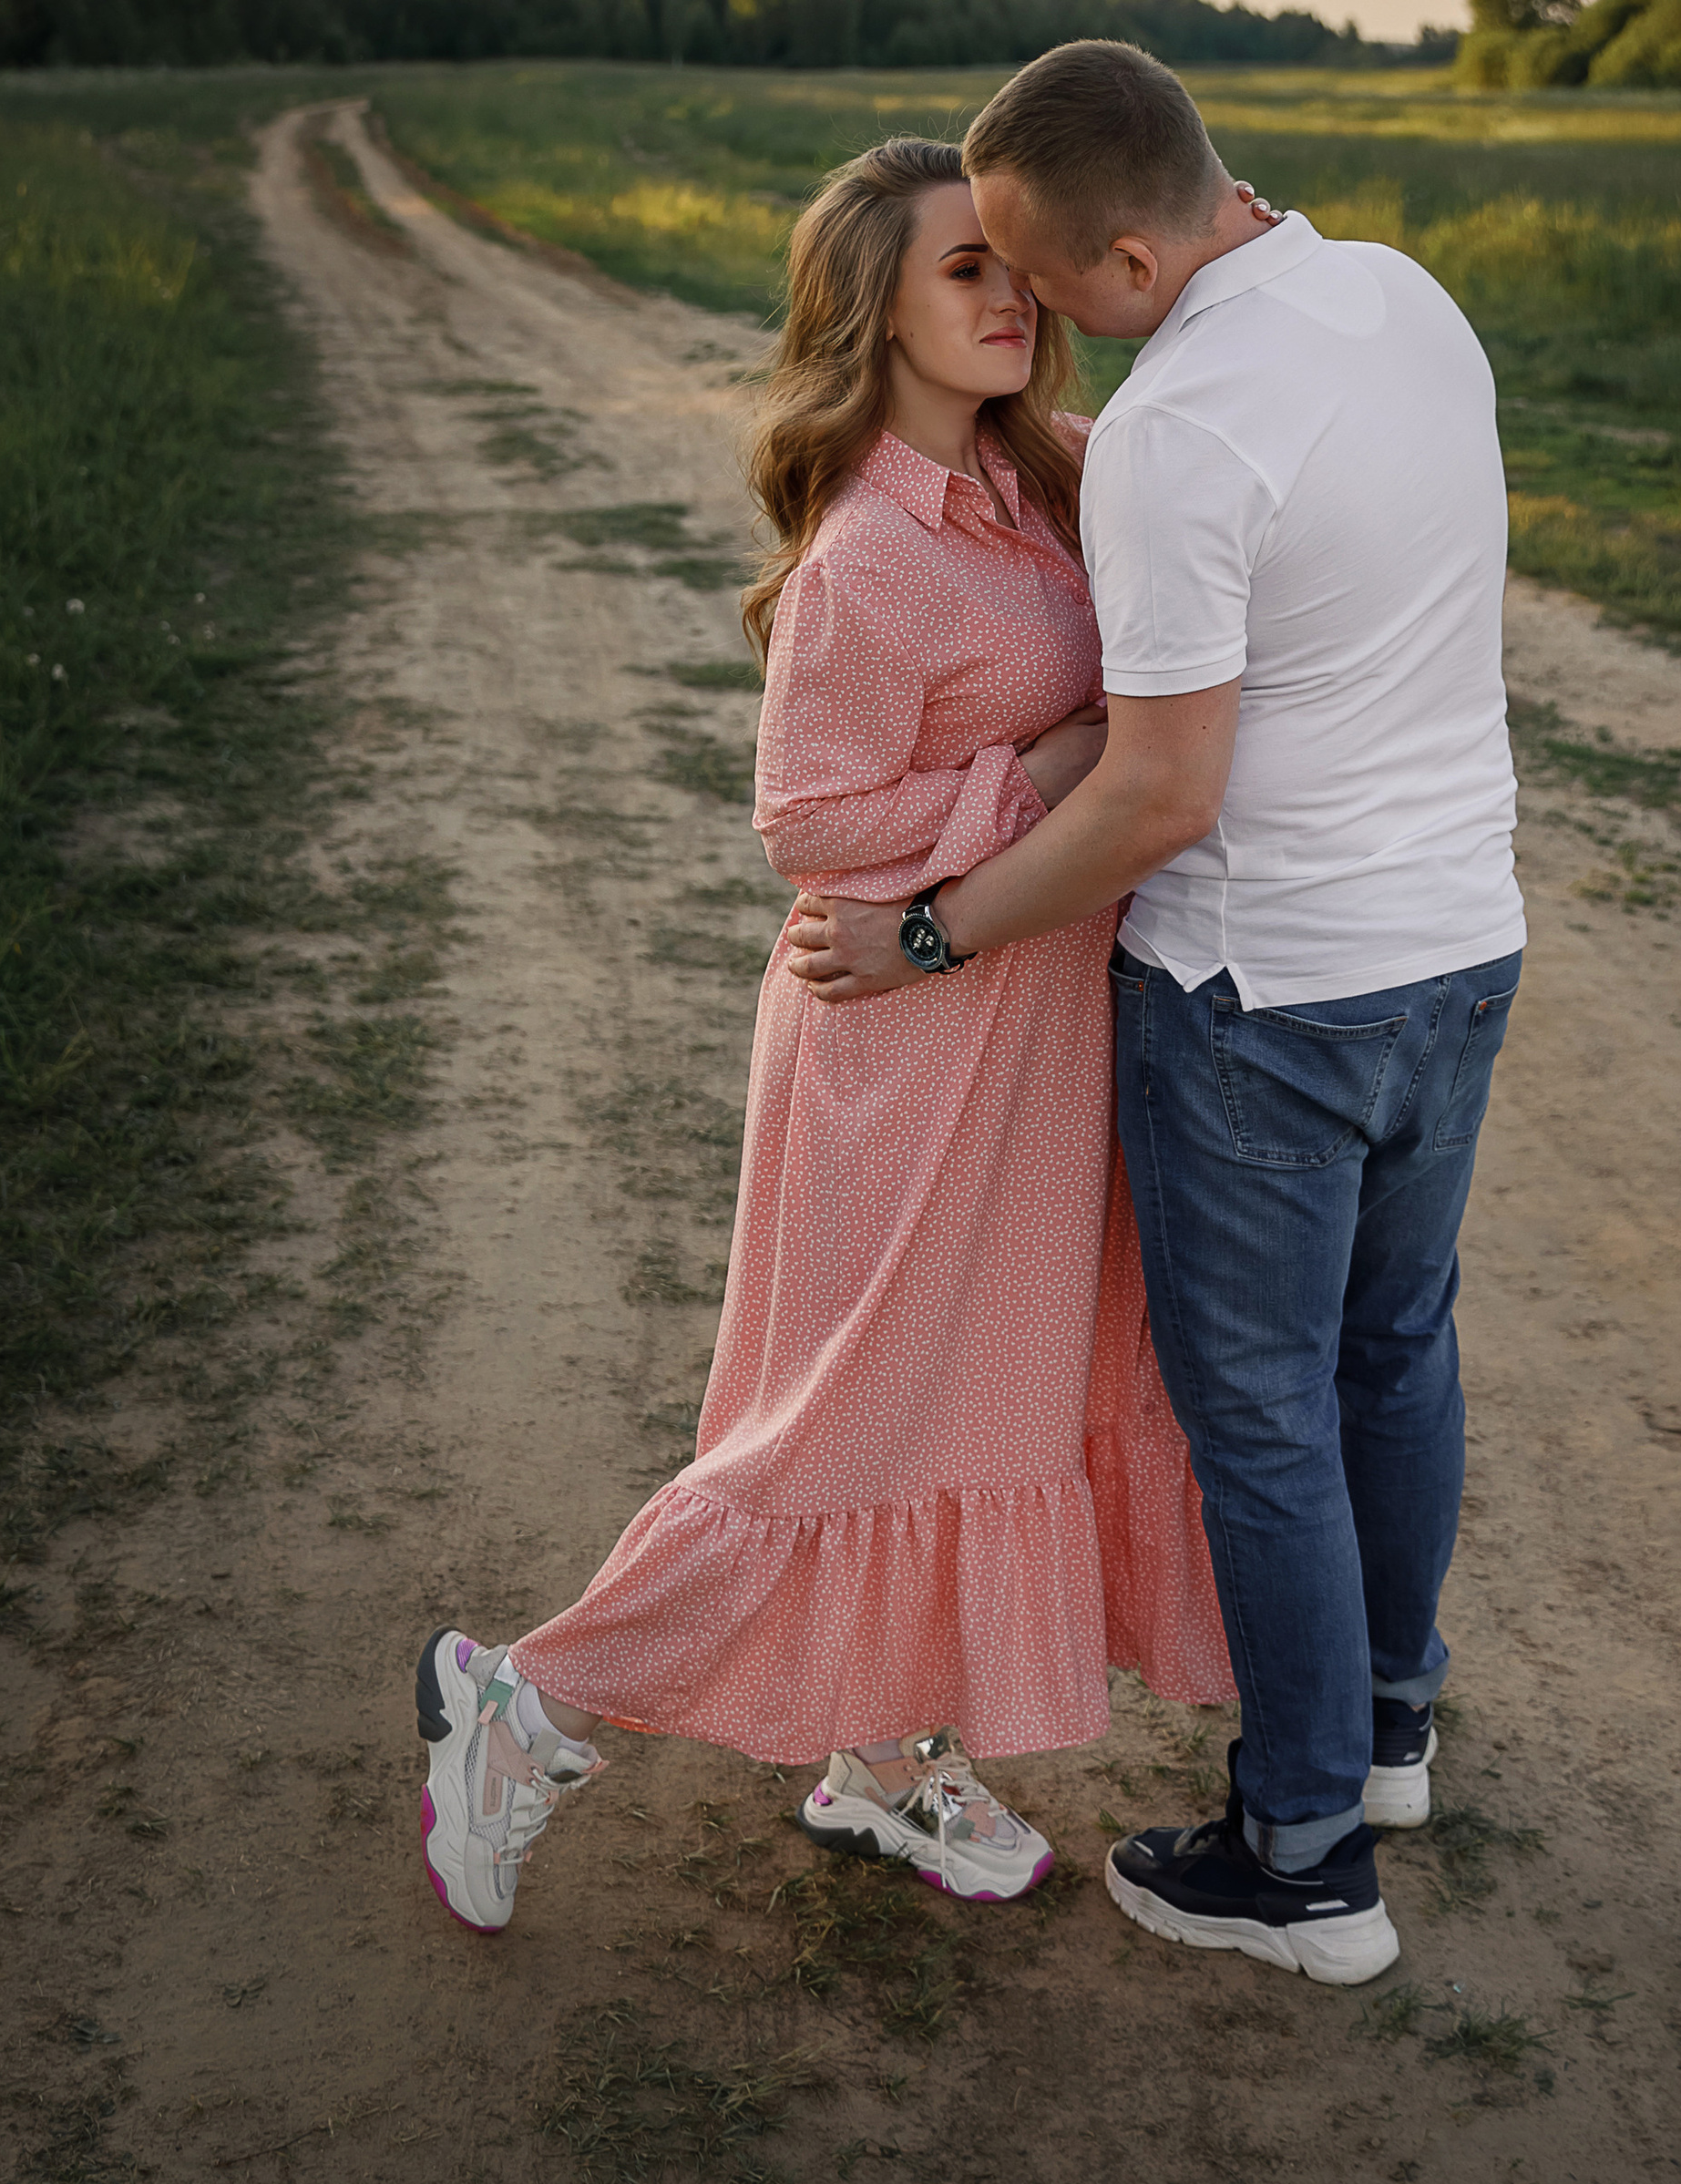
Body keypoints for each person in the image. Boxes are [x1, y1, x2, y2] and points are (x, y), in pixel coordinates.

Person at [415, 135, 1231, 1936]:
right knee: (838, 1433)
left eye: (1015, 266)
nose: (1009, 296)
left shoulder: (1049, 485)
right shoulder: (868, 556)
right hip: (908, 1036)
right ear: (873, 309)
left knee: (988, 1401)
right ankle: (522, 1703)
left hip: (1031, 1024)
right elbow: (811, 826)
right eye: (964, 271)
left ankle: (878, 1759)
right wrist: (1063, 763)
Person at [788, 44, 1523, 1990]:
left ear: (1129, 249)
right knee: (1395, 1348)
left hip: (1262, 983)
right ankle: (1379, 1737)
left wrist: (930, 940)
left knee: (1260, 1414)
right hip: (1458, 941)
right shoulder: (1396, 293)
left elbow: (1156, 792)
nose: (1040, 321)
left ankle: (1294, 1861)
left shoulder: (1185, 423)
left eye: (1045, 278)